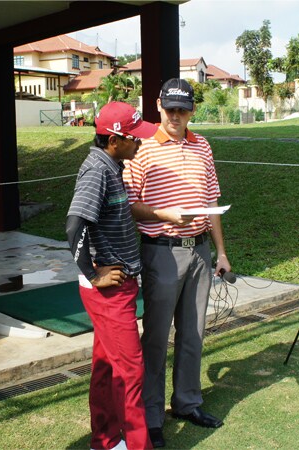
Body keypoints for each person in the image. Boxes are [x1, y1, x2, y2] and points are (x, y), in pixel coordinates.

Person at [122, 78, 231, 448]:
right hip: (162, 252)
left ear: (192, 111)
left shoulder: (203, 145)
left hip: (200, 250)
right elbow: (129, 204)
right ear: (158, 106)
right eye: (170, 108)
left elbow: (212, 201)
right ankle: (151, 416)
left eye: (183, 109)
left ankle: (187, 402)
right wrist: (164, 214)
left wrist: (221, 252)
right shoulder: (143, 148)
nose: (175, 115)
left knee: (193, 332)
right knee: (155, 337)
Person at [66, 101, 159, 450]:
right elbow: (75, 224)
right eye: (134, 137)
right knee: (131, 371)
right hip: (109, 292)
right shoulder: (97, 171)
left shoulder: (111, 165)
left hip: (118, 287)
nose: (140, 142)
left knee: (106, 366)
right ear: (114, 139)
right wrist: (92, 274)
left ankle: (105, 440)